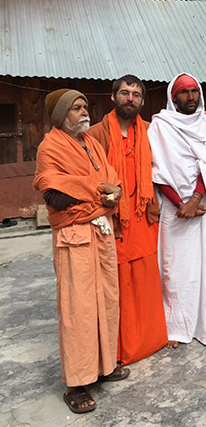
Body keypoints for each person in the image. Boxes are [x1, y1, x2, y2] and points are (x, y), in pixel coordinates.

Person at [34, 88, 128, 414]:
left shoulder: (91, 143)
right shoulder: (50, 147)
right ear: (61, 115)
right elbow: (54, 196)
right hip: (74, 237)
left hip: (100, 232)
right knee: (78, 309)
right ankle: (76, 383)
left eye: (84, 106)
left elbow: (112, 182)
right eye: (76, 108)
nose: (83, 112)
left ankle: (103, 366)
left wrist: (107, 193)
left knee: (106, 299)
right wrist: (98, 194)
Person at [148, 73, 206, 348]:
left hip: (202, 209)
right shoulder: (160, 126)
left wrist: (195, 199)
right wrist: (179, 203)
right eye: (184, 92)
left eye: (194, 91)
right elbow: (157, 173)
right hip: (173, 213)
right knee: (174, 270)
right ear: (173, 97)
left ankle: (203, 324)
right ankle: (175, 327)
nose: (190, 97)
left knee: (204, 267)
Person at [87, 74, 168, 365]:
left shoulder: (150, 131)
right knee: (116, 286)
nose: (130, 98)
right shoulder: (96, 134)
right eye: (124, 92)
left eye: (135, 94)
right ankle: (118, 349)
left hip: (143, 217)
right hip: (113, 221)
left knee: (145, 281)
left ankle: (150, 340)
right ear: (113, 97)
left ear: (142, 101)